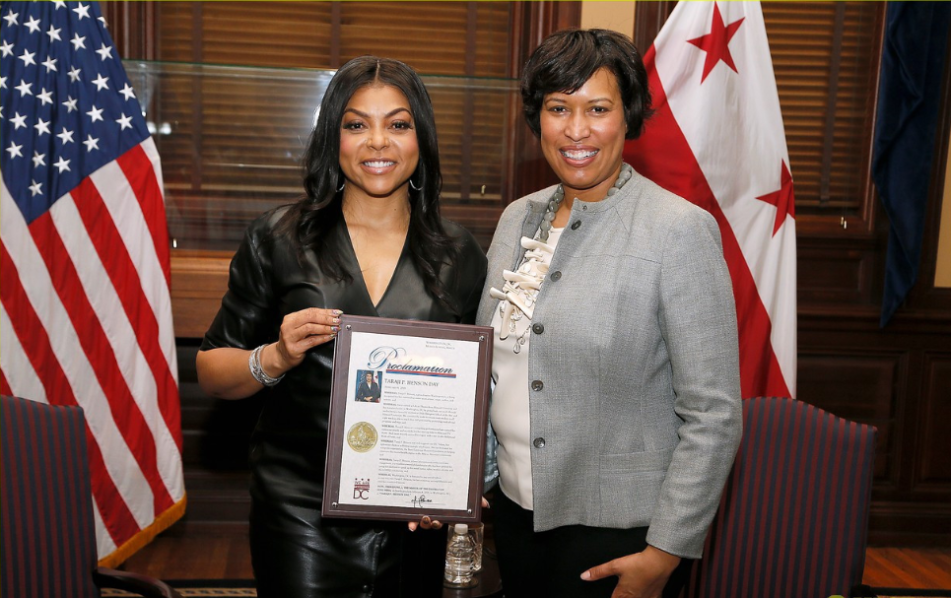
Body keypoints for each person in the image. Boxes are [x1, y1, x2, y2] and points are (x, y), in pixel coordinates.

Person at [196, 55, 487, 598]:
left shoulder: (460, 254)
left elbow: (470, 396)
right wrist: (275, 356)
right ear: (333, 138)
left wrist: (446, 486)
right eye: (356, 124)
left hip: (413, 512)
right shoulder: (280, 237)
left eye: (397, 124)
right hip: (302, 510)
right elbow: (212, 371)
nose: (378, 141)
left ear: (421, 139)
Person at [478, 29, 742, 598]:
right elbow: (489, 369)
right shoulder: (515, 219)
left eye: (598, 109)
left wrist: (665, 553)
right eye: (558, 109)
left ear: (628, 116)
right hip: (514, 518)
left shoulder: (679, 230)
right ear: (537, 118)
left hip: (621, 536)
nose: (576, 130)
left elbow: (714, 413)